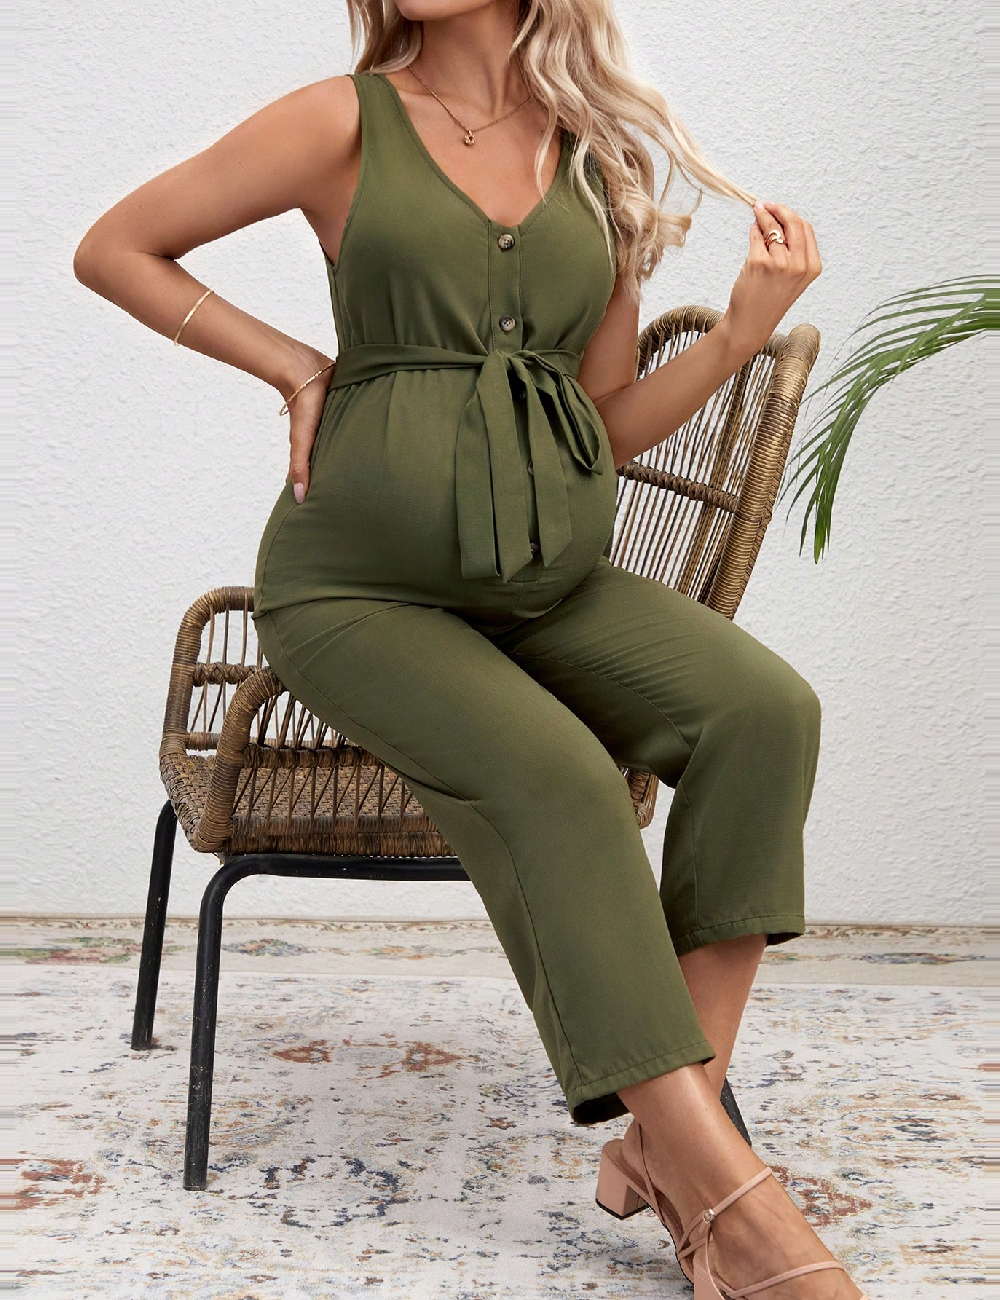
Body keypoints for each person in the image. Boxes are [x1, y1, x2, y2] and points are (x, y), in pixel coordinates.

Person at [74, 2, 871, 1296]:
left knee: (763, 712)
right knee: (561, 781)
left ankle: (669, 1149)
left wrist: (738, 333)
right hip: (357, 595)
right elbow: (115, 248)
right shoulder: (341, 122)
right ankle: (734, 1201)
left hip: (547, 584)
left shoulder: (597, 154)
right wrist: (294, 366)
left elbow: (604, 425)